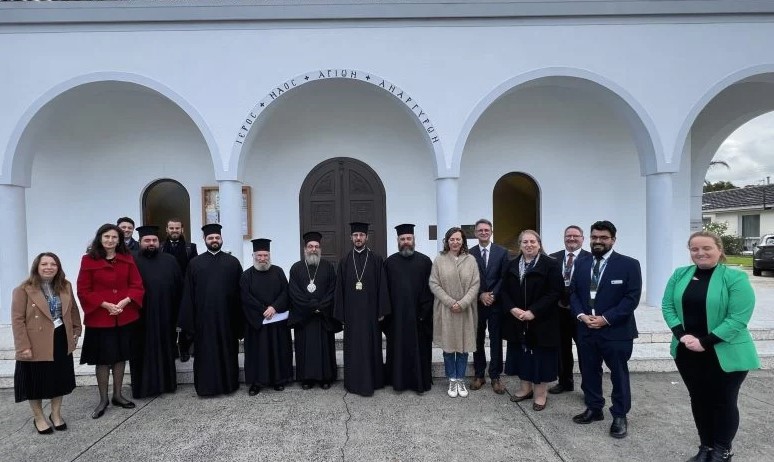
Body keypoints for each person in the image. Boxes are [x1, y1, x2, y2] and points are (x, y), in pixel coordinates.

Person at [662, 231, 760, 462]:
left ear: (719, 249)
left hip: (725, 352)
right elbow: (667, 306)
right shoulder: (680, 274)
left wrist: (704, 342)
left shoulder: (735, 277)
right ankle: (706, 447)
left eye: (706, 248)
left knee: (723, 400)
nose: (700, 253)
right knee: (699, 399)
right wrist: (682, 335)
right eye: (694, 249)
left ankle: (722, 451)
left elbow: (738, 318)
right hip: (687, 351)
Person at [570, 220, 641, 439]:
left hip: (616, 331)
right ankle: (594, 408)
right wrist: (582, 316)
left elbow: (631, 298)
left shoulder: (629, 264)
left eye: (603, 238)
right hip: (586, 328)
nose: (598, 241)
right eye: (594, 237)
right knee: (589, 370)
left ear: (613, 240)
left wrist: (605, 319)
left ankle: (619, 415)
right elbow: (573, 293)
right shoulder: (581, 263)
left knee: (618, 374)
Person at [77, 223, 144, 419]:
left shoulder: (127, 259)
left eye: (114, 237)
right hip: (100, 317)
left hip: (124, 315)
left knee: (121, 356)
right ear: (100, 238)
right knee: (103, 359)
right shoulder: (88, 260)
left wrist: (125, 301)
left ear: (119, 240)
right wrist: (105, 305)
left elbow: (136, 285)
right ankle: (103, 399)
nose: (110, 240)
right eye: (107, 237)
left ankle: (118, 395)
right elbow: (84, 290)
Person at [12, 252, 82, 434]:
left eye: (53, 264)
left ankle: (56, 414)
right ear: (37, 266)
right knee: (35, 382)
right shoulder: (23, 289)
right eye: (44, 264)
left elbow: (73, 309)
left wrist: (76, 330)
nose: (49, 267)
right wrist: (23, 346)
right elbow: (17, 320)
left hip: (60, 338)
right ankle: (39, 418)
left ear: (58, 267)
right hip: (35, 341)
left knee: (59, 380)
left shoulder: (65, 286)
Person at [179, 223, 244, 397]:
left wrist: (240, 322)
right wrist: (189, 323)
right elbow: (188, 294)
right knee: (205, 355)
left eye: (217, 237)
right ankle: (206, 388)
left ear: (221, 239)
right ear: (204, 240)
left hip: (227, 319)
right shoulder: (194, 264)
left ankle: (229, 385)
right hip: (203, 320)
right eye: (211, 238)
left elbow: (240, 292)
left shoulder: (233, 262)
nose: (214, 240)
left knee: (227, 352)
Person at [501, 230, 564, 411]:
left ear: (539, 244)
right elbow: (503, 290)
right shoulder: (511, 264)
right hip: (517, 320)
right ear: (520, 245)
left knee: (540, 358)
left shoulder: (550, 264)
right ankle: (525, 388)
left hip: (542, 321)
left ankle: (540, 394)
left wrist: (533, 311)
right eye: (525, 242)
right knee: (521, 356)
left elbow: (555, 292)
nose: (529, 245)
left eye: (532, 242)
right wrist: (512, 308)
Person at [334, 222, 390, 397]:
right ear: (351, 238)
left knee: (371, 346)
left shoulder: (376, 259)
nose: (358, 238)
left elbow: (383, 287)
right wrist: (341, 314)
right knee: (354, 348)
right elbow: (339, 290)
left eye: (361, 235)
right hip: (351, 316)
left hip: (371, 314)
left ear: (367, 237)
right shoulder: (344, 261)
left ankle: (374, 381)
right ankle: (353, 382)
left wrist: (382, 310)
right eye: (355, 235)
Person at [131, 225, 183, 399]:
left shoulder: (170, 260)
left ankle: (167, 385)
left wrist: (178, 317)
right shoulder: (131, 260)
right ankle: (142, 388)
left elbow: (178, 288)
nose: (151, 243)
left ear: (159, 242)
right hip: (139, 316)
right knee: (141, 352)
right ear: (140, 242)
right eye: (147, 241)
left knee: (165, 349)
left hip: (165, 315)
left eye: (154, 240)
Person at [429, 227, 480, 399]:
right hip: (447, 309)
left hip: (466, 310)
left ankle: (461, 379)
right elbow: (434, 283)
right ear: (447, 241)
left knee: (464, 347)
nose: (455, 242)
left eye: (458, 239)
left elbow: (475, 284)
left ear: (463, 241)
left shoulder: (471, 260)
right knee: (449, 348)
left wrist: (463, 302)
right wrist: (451, 302)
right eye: (452, 239)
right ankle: (452, 378)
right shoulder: (439, 259)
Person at [383, 223, 434, 393]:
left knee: (419, 350)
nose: (406, 242)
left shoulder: (425, 261)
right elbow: (385, 291)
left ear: (414, 240)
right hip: (396, 319)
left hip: (419, 318)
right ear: (398, 241)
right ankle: (398, 383)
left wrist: (423, 314)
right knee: (398, 350)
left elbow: (430, 290)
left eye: (408, 238)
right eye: (402, 239)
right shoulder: (390, 263)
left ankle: (419, 383)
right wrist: (388, 315)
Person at [288, 231, 341, 390]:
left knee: (325, 349)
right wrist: (312, 307)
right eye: (310, 246)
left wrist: (320, 307)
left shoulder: (328, 267)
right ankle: (307, 379)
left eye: (316, 246)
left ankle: (326, 378)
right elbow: (293, 292)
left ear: (320, 249)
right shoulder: (296, 268)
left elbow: (333, 290)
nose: (313, 249)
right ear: (305, 249)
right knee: (305, 349)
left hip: (323, 317)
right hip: (304, 319)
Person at [240, 238, 293, 395]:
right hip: (256, 324)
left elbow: (286, 292)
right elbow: (245, 298)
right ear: (253, 255)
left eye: (265, 255)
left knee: (278, 351)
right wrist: (263, 310)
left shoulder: (278, 271)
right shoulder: (246, 275)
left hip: (276, 322)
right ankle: (256, 383)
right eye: (259, 255)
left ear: (269, 255)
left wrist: (274, 307)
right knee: (257, 354)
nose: (263, 259)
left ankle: (279, 380)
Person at [469, 218, 509, 394]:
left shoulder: (502, 252)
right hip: (477, 304)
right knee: (476, 340)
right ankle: (479, 374)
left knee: (495, 340)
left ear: (491, 232)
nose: (484, 232)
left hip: (495, 303)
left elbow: (504, 277)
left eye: (487, 230)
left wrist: (492, 295)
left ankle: (495, 376)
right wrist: (480, 295)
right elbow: (467, 279)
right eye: (480, 230)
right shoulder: (469, 254)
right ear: (475, 233)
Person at [548, 225, 591, 395]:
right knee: (562, 349)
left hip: (582, 313)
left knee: (585, 351)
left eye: (575, 236)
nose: (571, 239)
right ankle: (565, 382)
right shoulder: (553, 258)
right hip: (559, 312)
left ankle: (588, 387)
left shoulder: (591, 258)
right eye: (568, 236)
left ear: (582, 238)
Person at [160, 218, 198, 362]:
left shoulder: (190, 247)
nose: (174, 231)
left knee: (184, 320)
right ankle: (171, 349)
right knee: (168, 320)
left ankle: (184, 349)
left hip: (185, 291)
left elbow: (194, 268)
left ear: (182, 229)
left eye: (177, 228)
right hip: (166, 291)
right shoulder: (161, 247)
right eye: (171, 228)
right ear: (167, 229)